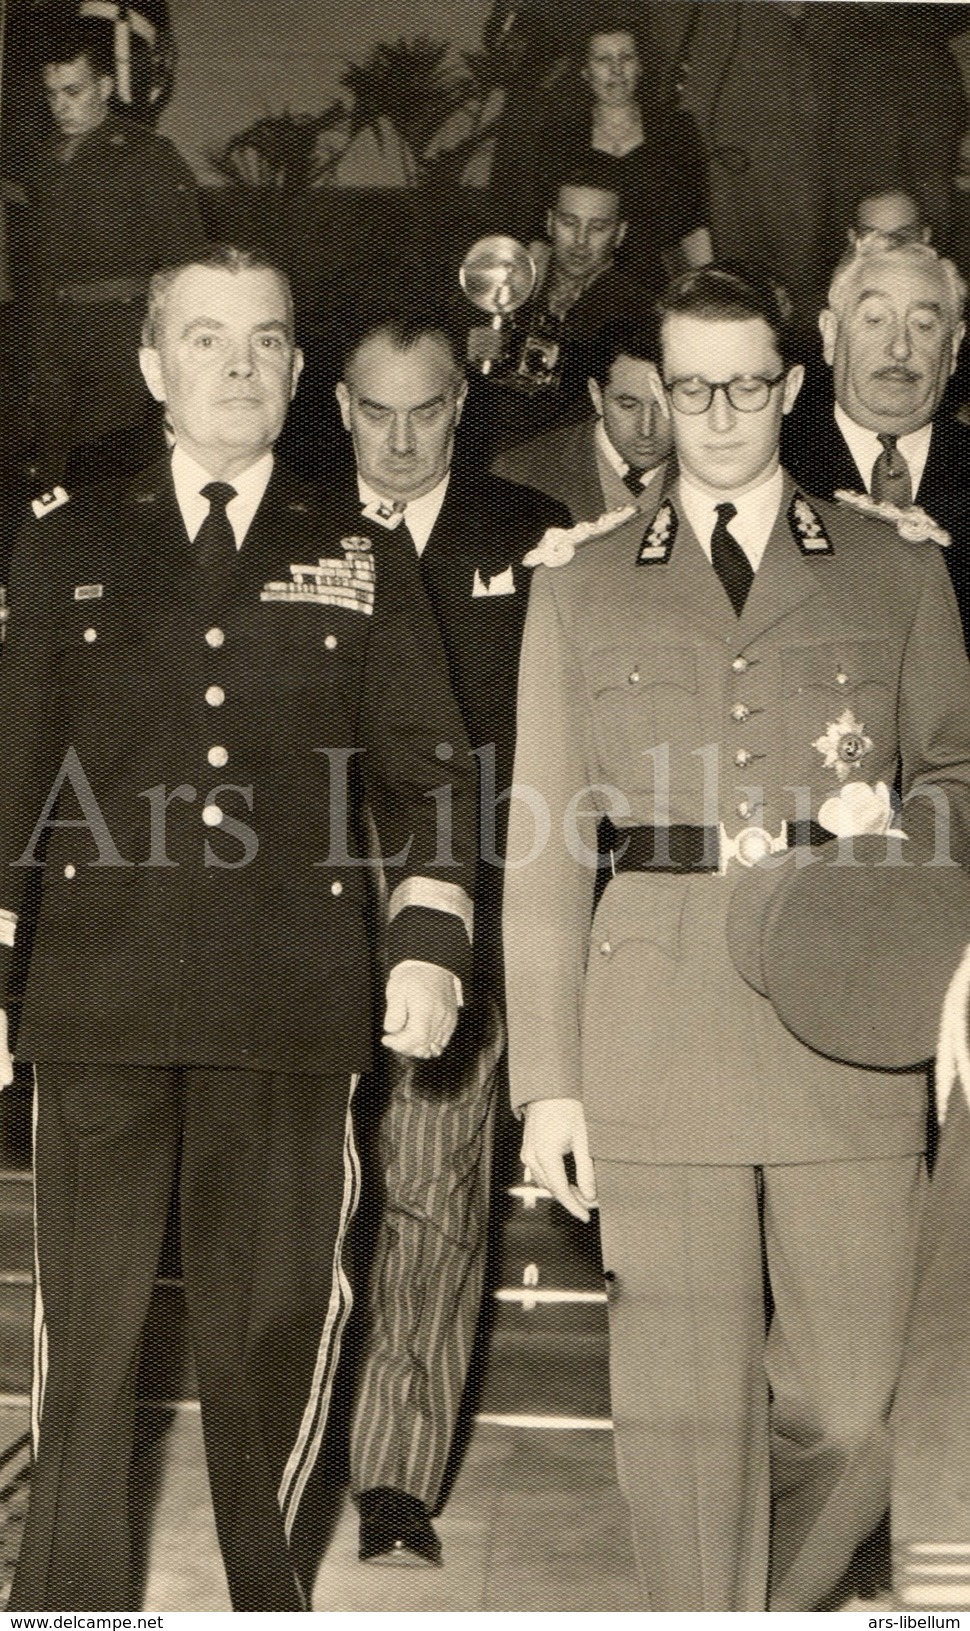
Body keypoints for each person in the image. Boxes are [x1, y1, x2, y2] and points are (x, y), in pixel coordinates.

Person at [0, 246, 477, 1611]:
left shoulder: (356, 552)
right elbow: (14, 770)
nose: (238, 365)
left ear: (294, 371)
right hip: (99, 996)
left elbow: (433, 776)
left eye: (265, 340)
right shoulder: (68, 539)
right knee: (85, 1341)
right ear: (153, 367)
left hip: (290, 1002)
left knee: (273, 1323)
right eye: (205, 339)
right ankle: (66, 1600)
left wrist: (430, 943)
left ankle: (264, 1596)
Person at [502, 262, 970, 1612]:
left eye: (743, 385)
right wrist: (548, 1082)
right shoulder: (583, 580)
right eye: (685, 387)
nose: (713, 416)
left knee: (859, 1405)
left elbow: (956, 771)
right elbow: (541, 841)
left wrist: (891, 844)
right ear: (655, 389)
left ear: (791, 385)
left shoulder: (891, 564)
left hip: (844, 1015)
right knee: (679, 1419)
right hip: (651, 1021)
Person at [334, 304, 569, 1567]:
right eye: (378, 410)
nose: (404, 435)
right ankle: (291, 1434)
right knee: (302, 1183)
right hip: (295, 895)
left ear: (461, 406)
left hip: (466, 893)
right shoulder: (295, 526)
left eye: (428, 408)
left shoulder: (530, 538)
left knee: (432, 1182)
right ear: (340, 410)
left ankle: (397, 1479)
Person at [24, 17, 206, 488]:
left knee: (107, 460)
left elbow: (184, 256)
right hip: (52, 329)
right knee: (51, 461)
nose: (60, 106)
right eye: (52, 95)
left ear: (105, 86)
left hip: (119, 331)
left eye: (74, 91)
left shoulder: (147, 153)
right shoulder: (45, 157)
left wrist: (167, 335)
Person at [781, 238, 970, 642]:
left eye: (923, 325)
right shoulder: (775, 463)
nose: (900, 348)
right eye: (875, 320)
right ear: (831, 334)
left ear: (954, 347)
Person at [492, 13, 710, 287]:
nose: (616, 70)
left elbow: (694, 226)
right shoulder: (560, 133)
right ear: (585, 71)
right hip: (580, 284)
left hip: (655, 285)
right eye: (603, 59)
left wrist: (708, 292)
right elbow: (542, 226)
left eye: (626, 58)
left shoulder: (676, 128)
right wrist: (524, 296)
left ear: (641, 66)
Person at [492, 316, 674, 520]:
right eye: (628, 406)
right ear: (596, 395)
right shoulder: (518, 474)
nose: (646, 429)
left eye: (664, 405)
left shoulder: (711, 470)